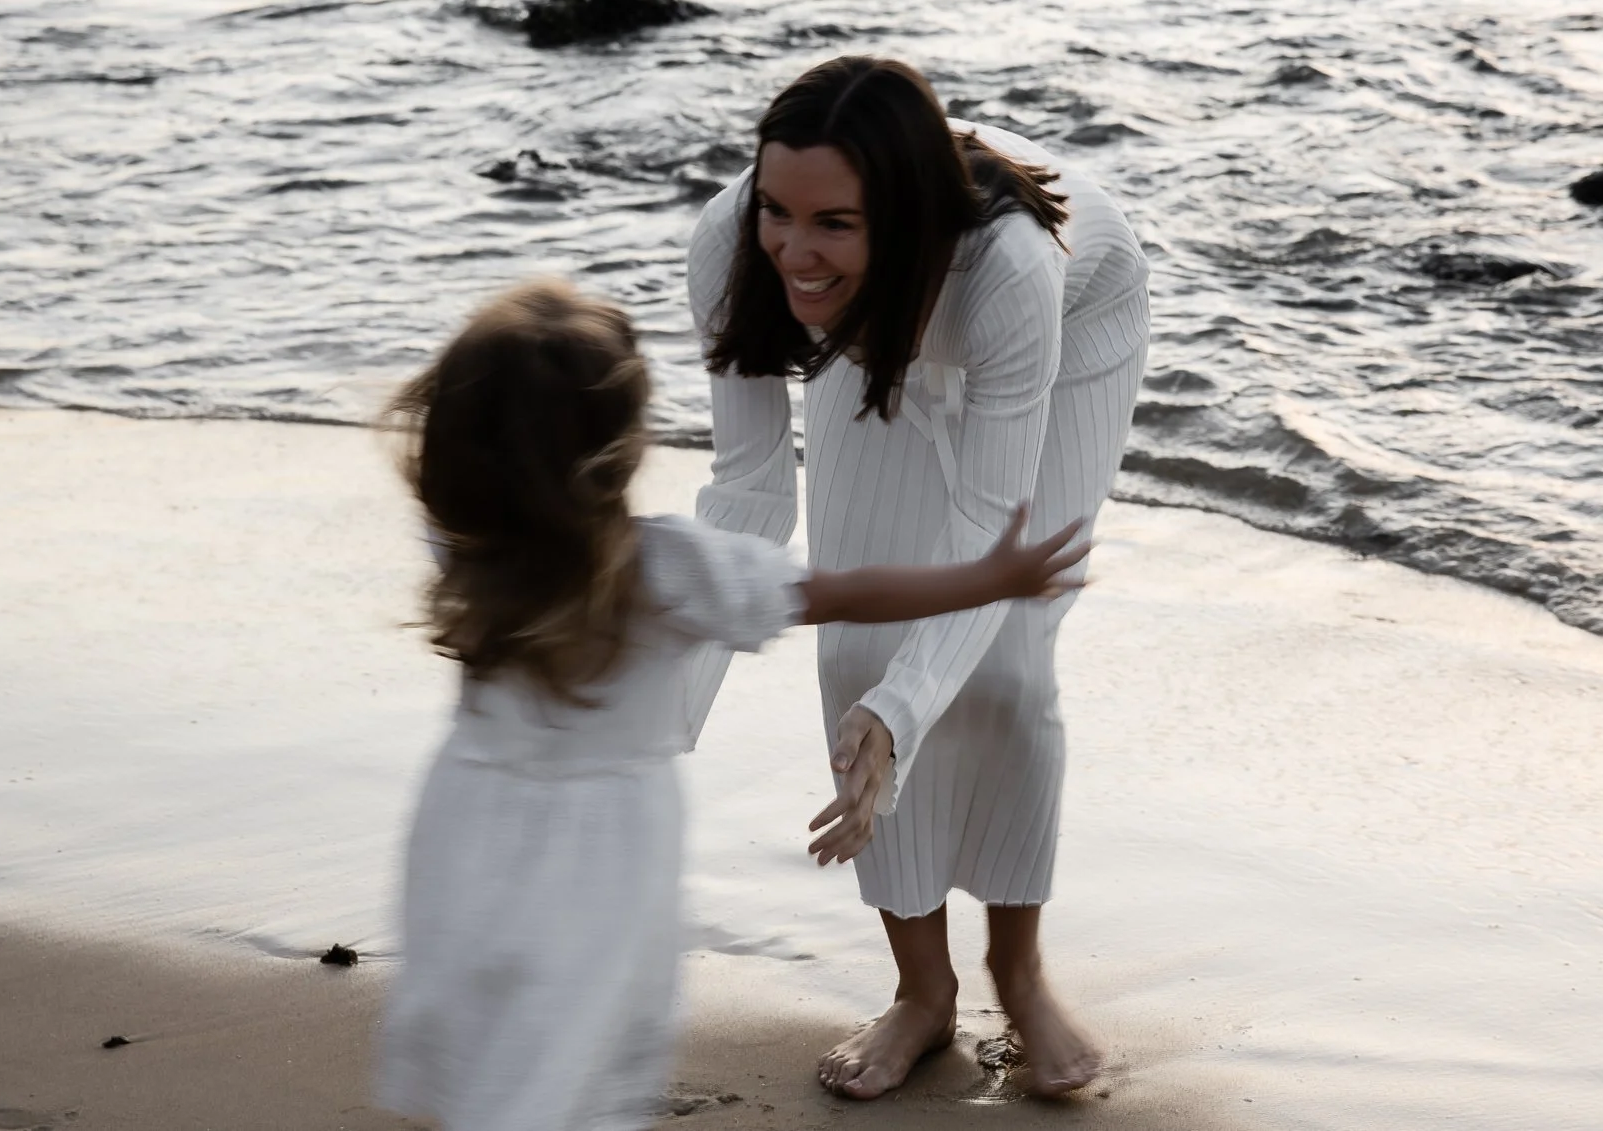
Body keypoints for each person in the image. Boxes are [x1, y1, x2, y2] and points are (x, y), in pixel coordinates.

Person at [375, 278, 1091, 1131]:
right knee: (573, 1035)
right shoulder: (664, 567)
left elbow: (482, 462)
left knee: (476, 1016)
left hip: (468, 822)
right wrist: (985, 576)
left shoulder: (464, 548)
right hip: (598, 849)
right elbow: (841, 592)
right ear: (619, 452)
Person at [687, 58, 1150, 1100]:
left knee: (1011, 656)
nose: (791, 249)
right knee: (858, 645)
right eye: (775, 208)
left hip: (1071, 332)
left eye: (831, 220)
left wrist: (905, 710)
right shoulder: (744, 247)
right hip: (876, 315)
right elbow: (751, 493)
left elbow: (989, 528)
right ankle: (921, 989)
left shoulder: (1013, 267)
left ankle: (1017, 967)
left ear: (893, 211)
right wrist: (645, 705)